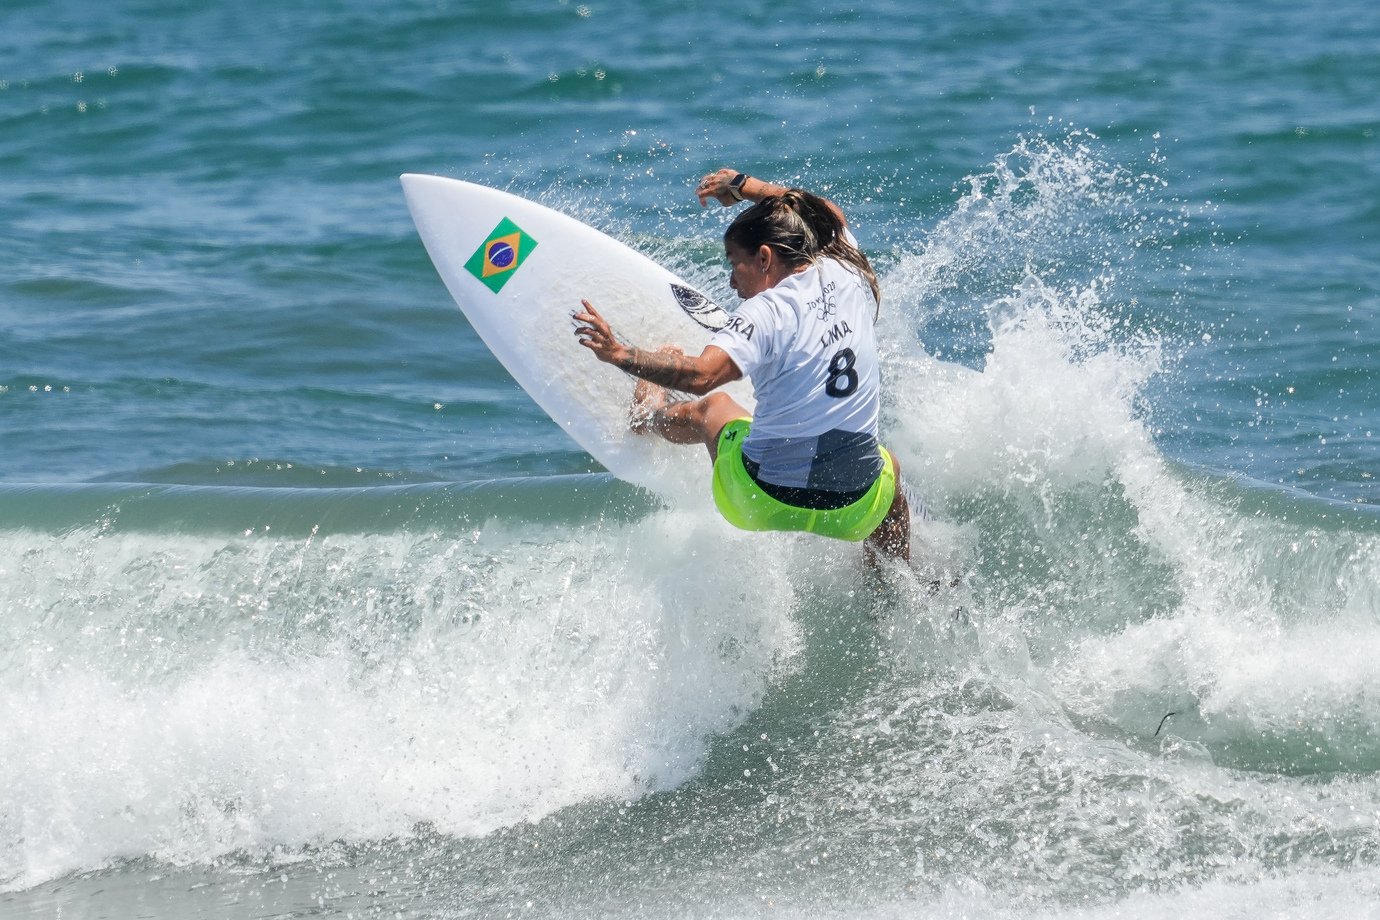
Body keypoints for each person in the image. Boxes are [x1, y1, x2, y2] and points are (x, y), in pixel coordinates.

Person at [572, 167, 909, 564]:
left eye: (735, 264)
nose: (732, 283)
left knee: (714, 409)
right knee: (888, 469)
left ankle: (648, 415)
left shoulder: (763, 313)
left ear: (765, 258)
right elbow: (828, 214)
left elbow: (701, 376)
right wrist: (744, 186)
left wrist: (619, 354)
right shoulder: (846, 267)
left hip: (759, 501)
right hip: (852, 511)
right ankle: (896, 582)